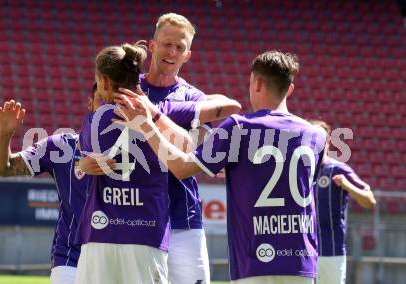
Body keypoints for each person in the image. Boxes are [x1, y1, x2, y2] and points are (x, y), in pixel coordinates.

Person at [114, 50, 327, 283]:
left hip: (255, 261)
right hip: (303, 262)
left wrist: (147, 124)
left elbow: (181, 167)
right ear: (290, 89)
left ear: (256, 83)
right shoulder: (316, 135)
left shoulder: (239, 127)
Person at [75, 42, 240, 284]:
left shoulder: (93, 122)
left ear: (106, 83)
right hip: (147, 233)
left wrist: (82, 164)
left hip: (101, 234)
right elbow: (228, 108)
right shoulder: (163, 110)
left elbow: (82, 156)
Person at [0, 84, 104, 284]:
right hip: (70, 259)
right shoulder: (60, 147)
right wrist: (5, 134)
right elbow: (3, 168)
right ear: (90, 104)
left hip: (118, 257)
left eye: (114, 102)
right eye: (101, 100)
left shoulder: (136, 152)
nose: (106, 108)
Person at [140, 13, 213, 283]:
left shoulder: (194, 99)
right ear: (152, 45)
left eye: (180, 47)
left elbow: (196, 148)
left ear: (187, 55)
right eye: (167, 44)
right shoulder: (129, 90)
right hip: (136, 219)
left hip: (183, 218)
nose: (172, 52)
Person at [310, 120, 376, 284]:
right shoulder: (301, 172)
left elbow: (370, 201)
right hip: (304, 254)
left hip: (331, 252)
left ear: (328, 142)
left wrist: (347, 186)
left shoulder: (338, 169)